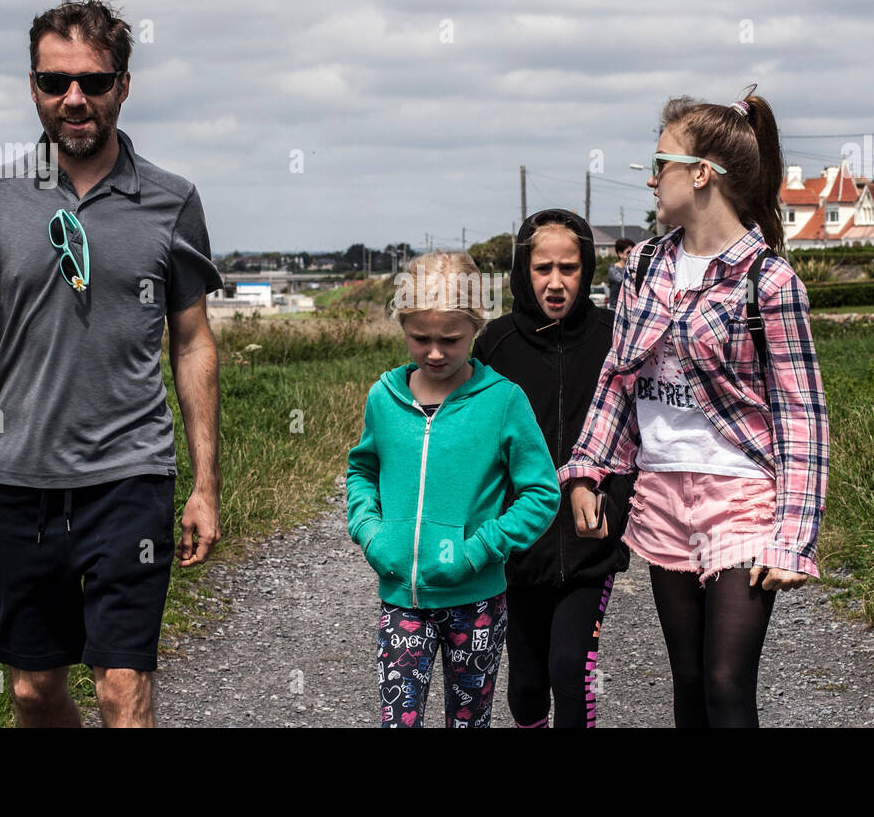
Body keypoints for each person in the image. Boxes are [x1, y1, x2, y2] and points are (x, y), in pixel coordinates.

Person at [0, 0, 225, 728]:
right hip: (21, 479)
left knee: (120, 688)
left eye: (93, 82)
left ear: (123, 87)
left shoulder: (171, 200)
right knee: (34, 691)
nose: (73, 99)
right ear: (32, 86)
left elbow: (192, 340)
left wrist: (204, 484)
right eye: (53, 81)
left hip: (130, 476)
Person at [560, 88, 828, 727]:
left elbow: (802, 414)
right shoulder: (645, 266)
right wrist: (586, 468)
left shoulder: (770, 282)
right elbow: (619, 380)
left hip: (741, 499)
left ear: (701, 174)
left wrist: (792, 539)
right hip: (662, 492)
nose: (651, 179)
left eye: (661, 163)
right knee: (685, 684)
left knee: (726, 683)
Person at [346, 251, 561, 727]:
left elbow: (542, 493)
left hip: (478, 603)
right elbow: (362, 468)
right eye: (420, 338)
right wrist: (370, 530)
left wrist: (480, 549)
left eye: (451, 339)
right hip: (402, 600)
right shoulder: (384, 397)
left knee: (469, 722)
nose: (435, 352)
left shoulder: (503, 401)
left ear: (476, 330)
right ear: (402, 326)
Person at [472, 209, 633, 728]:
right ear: (524, 270)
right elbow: (472, 443)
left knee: (570, 669)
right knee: (525, 685)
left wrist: (619, 500)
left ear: (587, 269)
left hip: (591, 542)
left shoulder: (615, 338)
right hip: (518, 547)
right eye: (544, 268)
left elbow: (638, 433)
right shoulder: (494, 346)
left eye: (570, 267)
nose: (557, 282)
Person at [606, 237, 634, 309]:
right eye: (628, 252)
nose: (632, 255)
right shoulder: (613, 270)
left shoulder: (632, 269)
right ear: (620, 254)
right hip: (615, 310)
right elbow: (624, 281)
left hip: (629, 309)